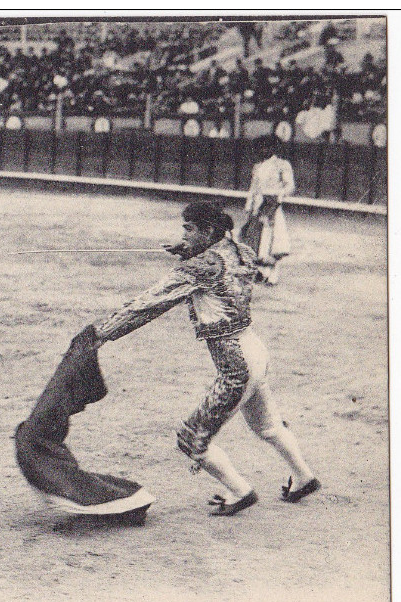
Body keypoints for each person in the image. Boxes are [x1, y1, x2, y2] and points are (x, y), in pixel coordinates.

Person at [91, 201, 320, 516]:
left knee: (190, 437)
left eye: (189, 229)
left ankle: (239, 491)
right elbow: (221, 270)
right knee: (267, 427)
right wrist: (189, 251)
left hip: (236, 366)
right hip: (255, 350)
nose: (183, 234)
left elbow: (149, 303)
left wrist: (103, 332)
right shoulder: (243, 252)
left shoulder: (198, 268)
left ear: (208, 231)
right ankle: (304, 477)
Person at [240, 135, 295, 285]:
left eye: (265, 147)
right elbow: (253, 188)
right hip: (258, 205)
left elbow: (290, 186)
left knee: (272, 240)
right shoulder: (258, 166)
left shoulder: (282, 165)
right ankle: (260, 272)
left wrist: (278, 197)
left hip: (272, 206)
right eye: (260, 148)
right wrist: (249, 206)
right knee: (256, 238)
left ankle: (273, 274)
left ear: (273, 148)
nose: (262, 150)